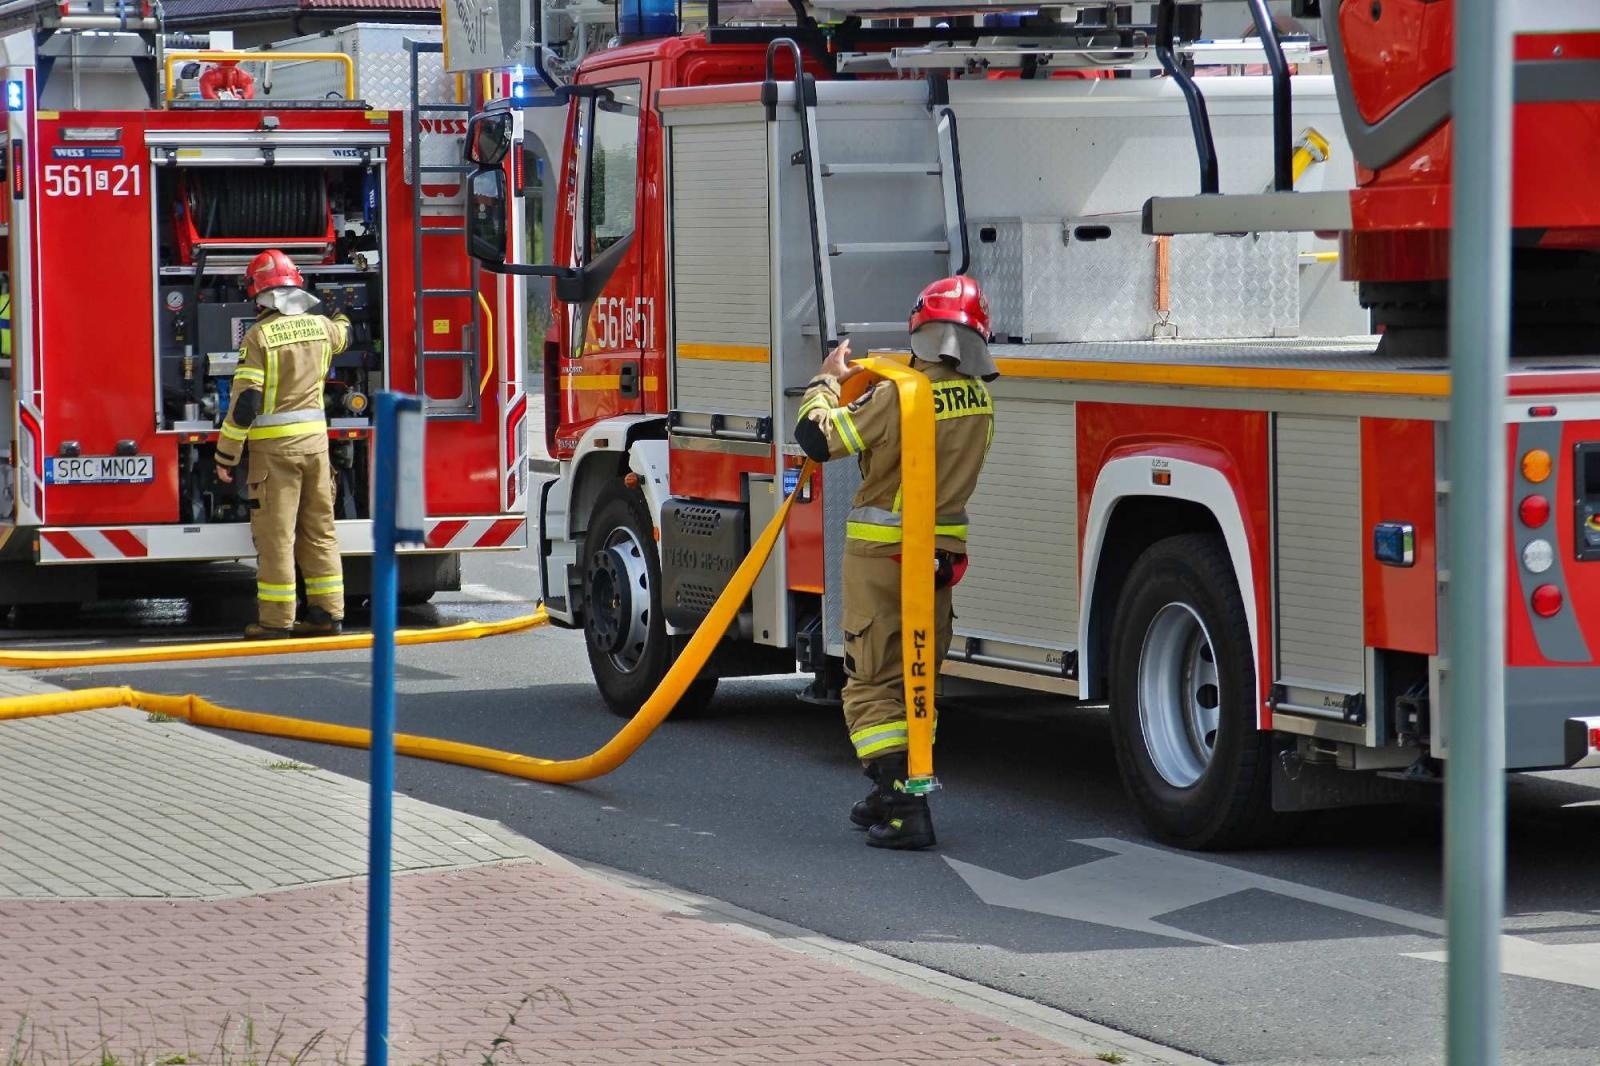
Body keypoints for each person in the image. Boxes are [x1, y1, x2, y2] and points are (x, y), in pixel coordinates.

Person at [793, 276, 998, 850]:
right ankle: (892, 793)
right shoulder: (978, 396)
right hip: (940, 558)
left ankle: (906, 809)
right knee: (916, 679)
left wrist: (826, 381)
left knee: (871, 682)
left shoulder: (904, 394)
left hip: (883, 557)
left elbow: (817, 439)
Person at [215, 249, 349, 639]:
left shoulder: (259, 336)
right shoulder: (323, 327)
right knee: (320, 531)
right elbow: (346, 332)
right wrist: (339, 309)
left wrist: (226, 454)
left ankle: (275, 622)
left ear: (259, 294)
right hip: (317, 450)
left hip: (275, 456)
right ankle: (327, 614)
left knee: (277, 537)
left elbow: (246, 405)